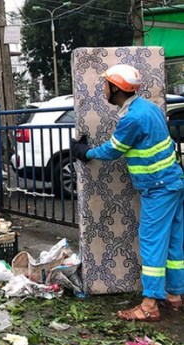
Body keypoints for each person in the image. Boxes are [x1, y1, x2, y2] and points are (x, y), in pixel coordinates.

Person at [71, 64, 184, 322]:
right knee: (174, 240)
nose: (103, 88)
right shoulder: (148, 108)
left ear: (116, 88)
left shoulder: (133, 118)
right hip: (173, 182)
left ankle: (149, 304)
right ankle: (175, 296)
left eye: (106, 84)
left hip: (158, 187)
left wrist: (85, 152)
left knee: (152, 241)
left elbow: (113, 150)